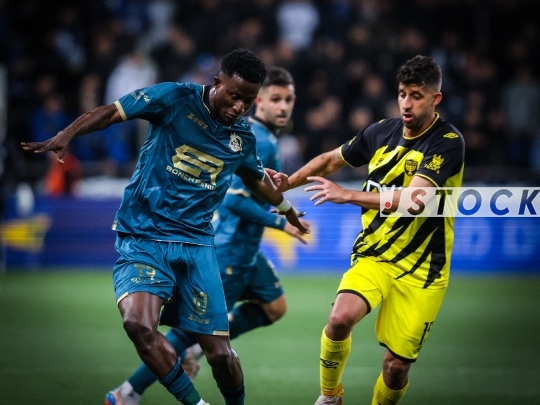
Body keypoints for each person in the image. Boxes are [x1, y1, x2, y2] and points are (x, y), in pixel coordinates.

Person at [21, 49, 309, 405]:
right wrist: (68, 133)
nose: (239, 107)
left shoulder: (243, 138)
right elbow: (112, 112)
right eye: (234, 96)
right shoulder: (174, 98)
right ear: (216, 83)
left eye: (247, 102)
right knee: (138, 325)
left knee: (220, 354)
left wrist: (286, 208)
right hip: (145, 234)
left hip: (197, 244)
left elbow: (256, 178)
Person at [101, 66, 309, 405]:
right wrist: (282, 222)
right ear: (260, 103)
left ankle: (193, 353)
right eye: (275, 99)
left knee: (275, 306)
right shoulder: (251, 138)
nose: (283, 107)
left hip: (248, 252)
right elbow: (235, 200)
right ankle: (128, 392)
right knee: (193, 331)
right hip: (228, 248)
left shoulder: (261, 139)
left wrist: (283, 208)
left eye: (288, 100)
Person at [269, 55, 465, 405]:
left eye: (416, 95)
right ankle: (330, 397)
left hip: (423, 271)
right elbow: (331, 159)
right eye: (402, 94)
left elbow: (415, 200)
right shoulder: (380, 131)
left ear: (435, 99)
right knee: (339, 319)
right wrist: (289, 181)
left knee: (395, 369)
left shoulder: (447, 142)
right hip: (375, 254)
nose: (406, 103)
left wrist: (348, 195)